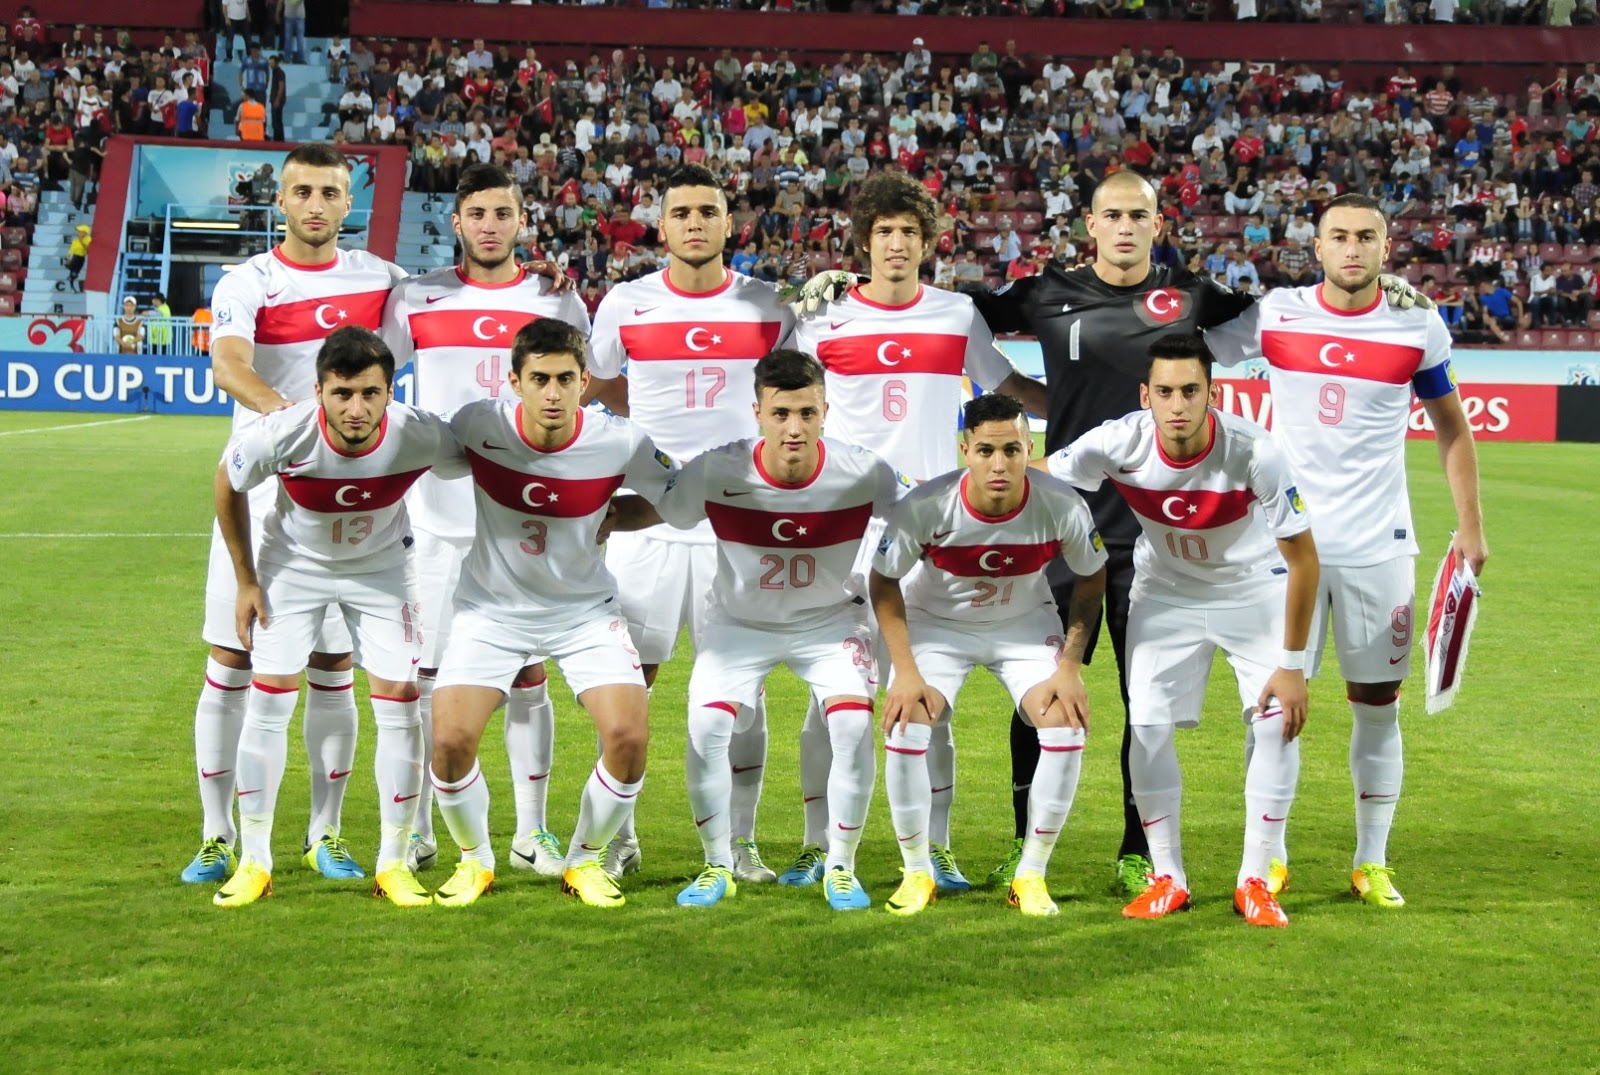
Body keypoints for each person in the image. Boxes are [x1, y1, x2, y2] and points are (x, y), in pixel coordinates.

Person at [1206, 194, 1488, 909]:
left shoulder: (1417, 324)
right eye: (1340, 236)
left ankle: (1372, 860)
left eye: (1366, 236)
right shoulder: (1276, 313)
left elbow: (1453, 429)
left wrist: (1471, 527)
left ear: (1385, 247)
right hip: (1283, 545)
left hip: (1379, 545)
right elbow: (1190, 343)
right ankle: (1265, 861)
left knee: (1376, 705)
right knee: (1273, 706)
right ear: (1318, 247)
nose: (1353, 248)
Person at [782, 172, 1048, 893]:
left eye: (909, 233)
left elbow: (1007, 392)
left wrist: (1090, 405)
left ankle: (937, 849)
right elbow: (782, 400)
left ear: (927, 244)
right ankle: (815, 844)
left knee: (930, 695)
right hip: (846, 532)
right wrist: (786, 308)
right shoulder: (822, 322)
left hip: (937, 535)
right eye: (883, 232)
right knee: (830, 696)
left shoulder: (957, 314)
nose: (896, 245)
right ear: (863, 243)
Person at [184, 143, 406, 887]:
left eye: (331, 192)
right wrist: (294, 423)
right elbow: (229, 362)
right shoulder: (249, 279)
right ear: (280, 200)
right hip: (260, 486)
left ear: (350, 204)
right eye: (302, 191)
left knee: (334, 665)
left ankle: (325, 831)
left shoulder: (382, 279)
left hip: (350, 501)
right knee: (232, 659)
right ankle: (219, 834)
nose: (316, 204)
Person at [1046, 334, 1319, 926]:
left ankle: (1256, 879)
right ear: (1146, 395)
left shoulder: (1255, 452)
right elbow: (1041, 474)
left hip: (1254, 592)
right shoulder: (1119, 441)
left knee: (1275, 723)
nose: (1177, 404)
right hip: (1165, 593)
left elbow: (1304, 560)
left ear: (1212, 395)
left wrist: (1293, 666)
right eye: (1164, 391)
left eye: (1190, 391)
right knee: (1145, 725)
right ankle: (1169, 876)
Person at [585, 164, 796, 885]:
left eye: (709, 211)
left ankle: (739, 844)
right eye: (682, 212)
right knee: (627, 682)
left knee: (742, 689)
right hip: (643, 522)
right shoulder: (625, 303)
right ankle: (619, 837)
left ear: (730, 222)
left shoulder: (769, 306)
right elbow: (600, 379)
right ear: (662, 223)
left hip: (738, 525)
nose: (696, 223)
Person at [381, 163, 591, 876]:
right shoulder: (416, 297)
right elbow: (378, 383)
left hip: (524, 520)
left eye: (504, 212)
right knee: (423, 679)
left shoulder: (556, 303)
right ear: (459, 221)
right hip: (436, 520)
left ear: (522, 220)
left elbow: (576, 399)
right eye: (478, 213)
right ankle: (416, 829)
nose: (491, 225)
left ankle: (532, 832)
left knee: (529, 672)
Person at [427, 318, 676, 910]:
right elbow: (419, 456)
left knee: (628, 735)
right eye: (539, 378)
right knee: (450, 741)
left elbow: (679, 498)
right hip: (489, 610)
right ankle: (475, 860)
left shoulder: (620, 440)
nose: (554, 392)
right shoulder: (477, 425)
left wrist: (618, 517)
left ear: (585, 381)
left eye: (566, 378)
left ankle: (585, 860)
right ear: (514, 381)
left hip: (585, 611)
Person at [209, 327, 453, 909]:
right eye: (342, 393)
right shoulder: (282, 432)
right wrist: (245, 579)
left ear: (391, 391)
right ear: (318, 391)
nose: (356, 407)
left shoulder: (419, 434)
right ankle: (255, 862)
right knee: (269, 699)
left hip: (383, 572)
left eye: (370, 393)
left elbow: (489, 464)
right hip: (294, 568)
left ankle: (393, 863)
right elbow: (226, 482)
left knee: (400, 701)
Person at [654, 349, 904, 911]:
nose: (794, 428)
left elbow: (919, 515)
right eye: (781, 413)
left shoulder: (865, 470)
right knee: (706, 727)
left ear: (825, 411)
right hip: (739, 625)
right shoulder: (718, 468)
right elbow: (669, 511)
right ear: (758, 413)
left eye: (807, 414)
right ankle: (717, 864)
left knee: (851, 729)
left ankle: (841, 865)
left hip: (830, 622)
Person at [872, 393, 1107, 918]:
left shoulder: (1062, 504)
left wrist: (1069, 666)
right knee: (906, 721)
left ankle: (1031, 874)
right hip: (938, 626)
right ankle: (916, 872)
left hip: (1023, 625)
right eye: (984, 451)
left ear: (1030, 448)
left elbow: (1092, 577)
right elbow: (883, 583)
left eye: (1011, 450)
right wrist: (905, 671)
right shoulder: (926, 506)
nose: (999, 465)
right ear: (964, 450)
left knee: (1066, 724)